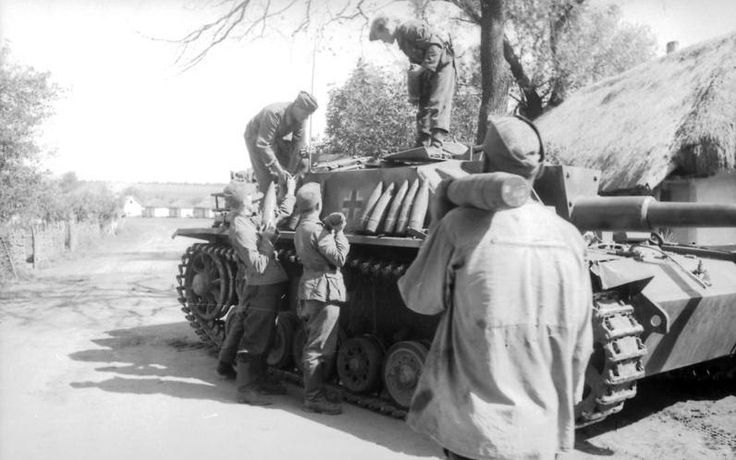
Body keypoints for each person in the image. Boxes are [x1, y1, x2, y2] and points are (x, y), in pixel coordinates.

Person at [397, 116, 593, 460]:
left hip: (477, 431)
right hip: (540, 433)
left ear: (484, 163)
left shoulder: (459, 226)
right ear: (541, 167)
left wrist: (438, 220)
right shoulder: (570, 237)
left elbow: (419, 299)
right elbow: (581, 344)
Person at [216, 177, 296, 405]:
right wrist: (268, 241)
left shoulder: (250, 219)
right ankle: (246, 389)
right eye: (250, 196)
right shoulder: (240, 228)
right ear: (242, 200)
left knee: (266, 335)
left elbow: (278, 214)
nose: (255, 198)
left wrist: (289, 191)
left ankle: (259, 380)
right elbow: (258, 265)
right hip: (260, 287)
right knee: (255, 338)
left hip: (267, 286)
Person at [293, 183, 350, 415]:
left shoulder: (301, 226)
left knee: (315, 343)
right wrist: (339, 232)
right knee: (317, 347)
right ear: (318, 204)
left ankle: (316, 391)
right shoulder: (318, 230)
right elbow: (339, 258)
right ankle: (313, 398)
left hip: (311, 286)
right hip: (324, 290)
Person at [369, 14, 456, 150]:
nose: (384, 41)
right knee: (423, 105)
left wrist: (420, 69)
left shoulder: (409, 28)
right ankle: (422, 142)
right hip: (428, 70)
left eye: (381, 38)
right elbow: (414, 65)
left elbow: (436, 46)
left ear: (386, 28)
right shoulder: (401, 40)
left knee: (437, 101)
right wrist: (414, 91)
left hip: (443, 65)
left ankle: (436, 143)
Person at [244, 91, 318, 193]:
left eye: (309, 115)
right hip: (255, 139)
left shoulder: (301, 119)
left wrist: (289, 174)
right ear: (296, 105)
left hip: (276, 138)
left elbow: (298, 147)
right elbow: (263, 144)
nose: (307, 118)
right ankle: (267, 205)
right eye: (305, 114)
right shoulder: (273, 113)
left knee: (303, 164)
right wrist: (280, 172)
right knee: (266, 178)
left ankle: (289, 201)